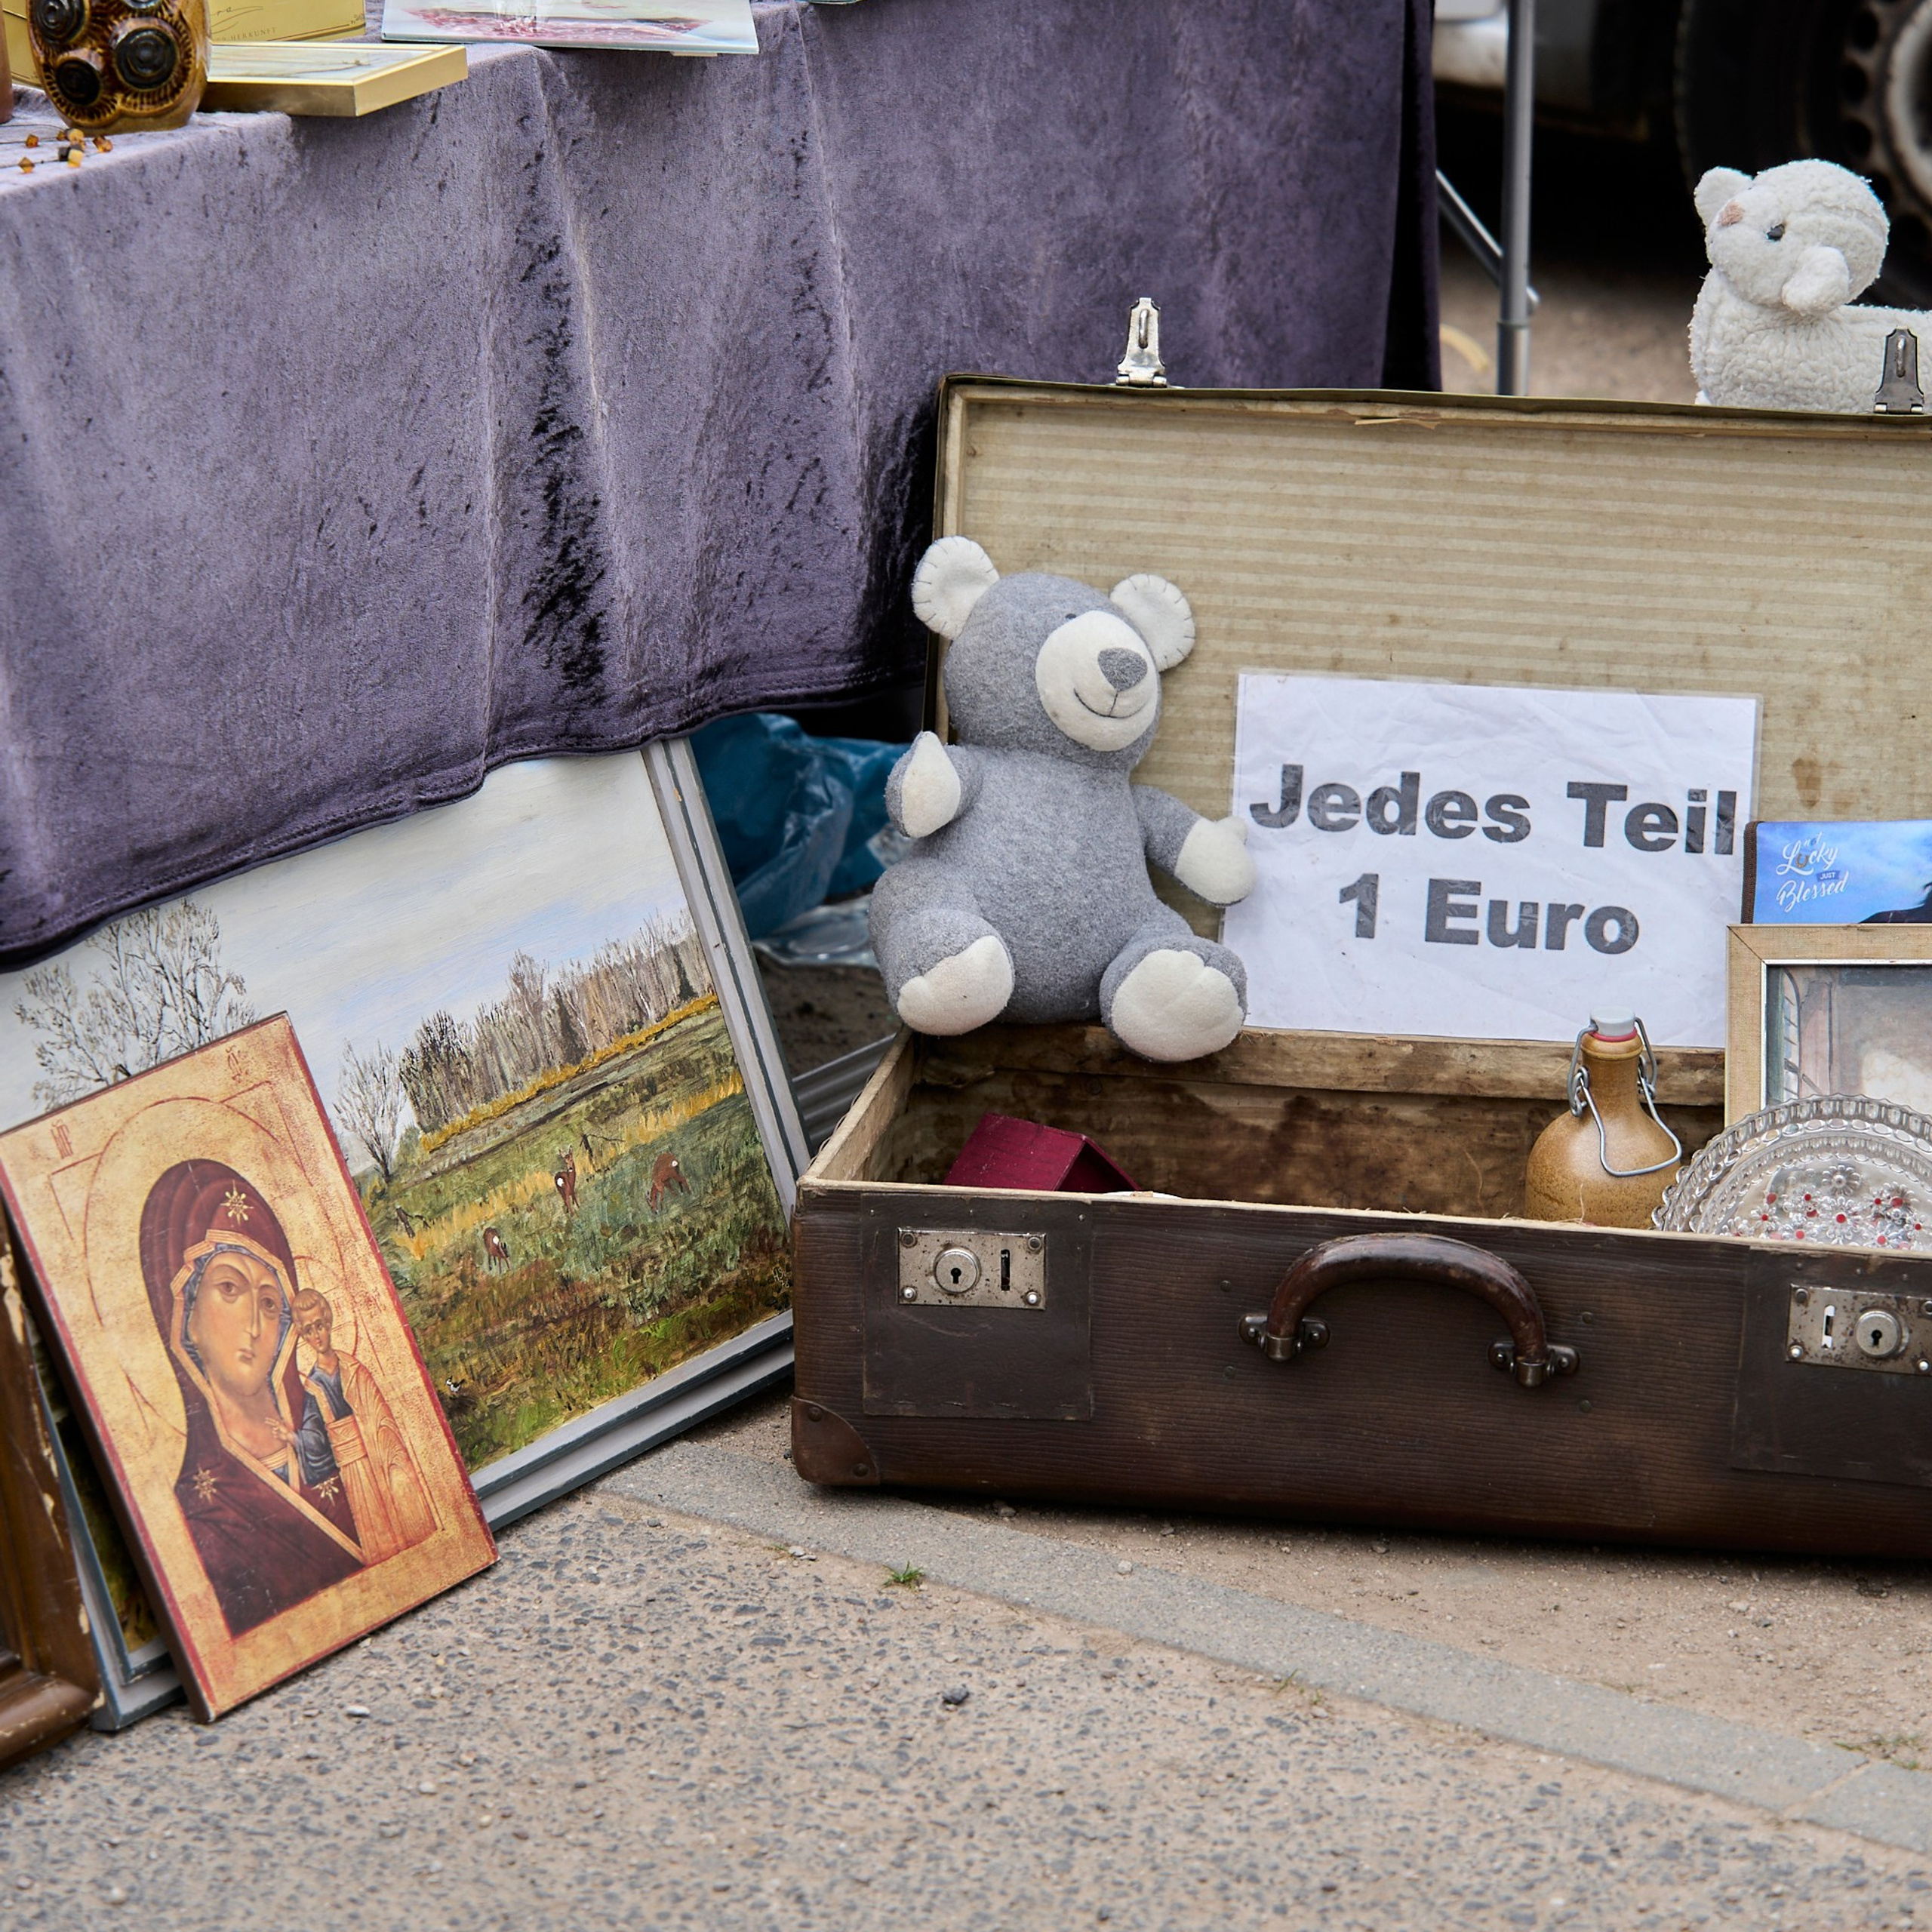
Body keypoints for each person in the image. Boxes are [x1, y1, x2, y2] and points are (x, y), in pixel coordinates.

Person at [140, 1162, 364, 1636]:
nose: (255, 1326)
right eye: (229, 1289)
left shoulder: (329, 1419)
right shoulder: (197, 1507)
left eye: (268, 1302)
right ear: (184, 1314)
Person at [288, 1286, 435, 1566]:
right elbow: (315, 1437)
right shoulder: (312, 1386)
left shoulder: (355, 1369)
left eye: (320, 1326)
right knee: (378, 1537)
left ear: (329, 1322)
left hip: (378, 1453)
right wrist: (295, 1439)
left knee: (402, 1521)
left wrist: (375, 1436)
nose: (317, 1335)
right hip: (352, 1469)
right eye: (309, 1330)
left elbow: (381, 1417)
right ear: (303, 1336)